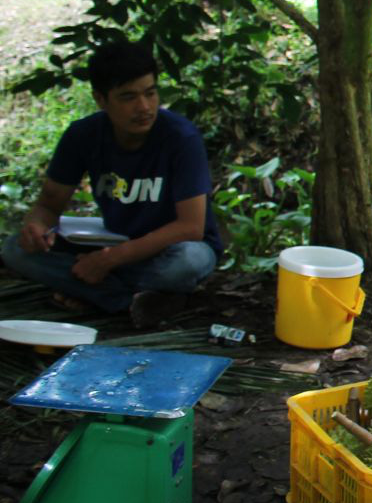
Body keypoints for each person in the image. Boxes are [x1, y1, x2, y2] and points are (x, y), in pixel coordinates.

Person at [2, 39, 222, 326]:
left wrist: (108, 261)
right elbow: (48, 205)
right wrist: (37, 227)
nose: (144, 107)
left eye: (150, 93)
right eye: (128, 97)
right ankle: (130, 301)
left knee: (188, 262)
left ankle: (95, 294)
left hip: (172, 249)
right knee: (15, 249)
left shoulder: (181, 138)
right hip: (118, 243)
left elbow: (190, 227)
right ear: (101, 99)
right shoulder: (83, 136)